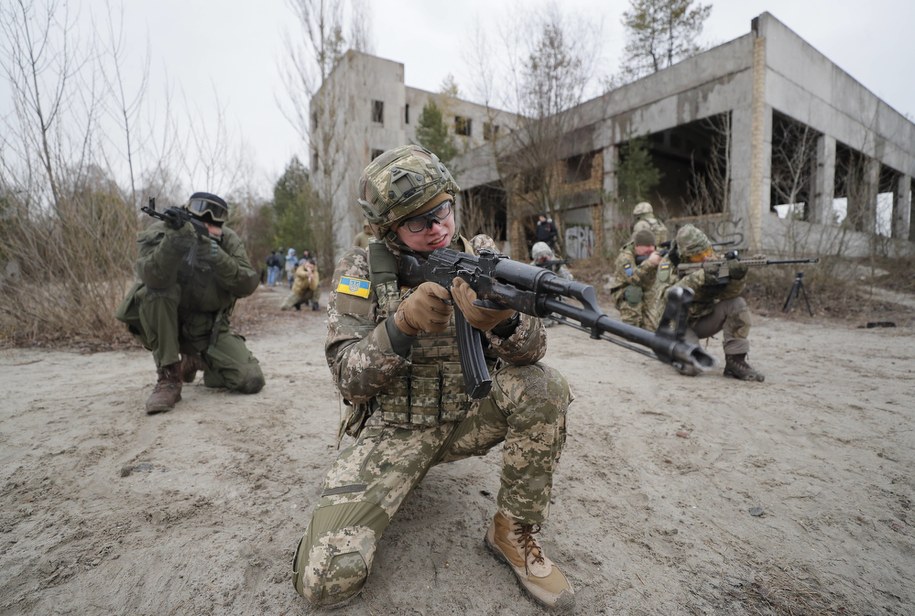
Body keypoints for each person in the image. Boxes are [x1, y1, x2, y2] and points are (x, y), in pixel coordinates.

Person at [291, 145, 575, 610]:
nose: (437, 227)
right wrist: (400, 325)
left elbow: (533, 351)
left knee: (544, 384)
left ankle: (511, 529)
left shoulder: (483, 256)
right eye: (417, 222)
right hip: (393, 433)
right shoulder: (363, 269)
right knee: (325, 581)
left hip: (468, 418)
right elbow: (347, 379)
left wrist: (502, 323)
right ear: (390, 230)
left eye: (442, 210)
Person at [114, 191, 265, 414]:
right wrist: (173, 245)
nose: (205, 221)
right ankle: (169, 377)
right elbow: (150, 277)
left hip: (209, 330)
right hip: (168, 326)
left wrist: (217, 256)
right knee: (156, 292)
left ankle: (197, 361)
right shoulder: (163, 231)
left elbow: (247, 284)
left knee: (250, 379)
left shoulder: (227, 239)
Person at [646, 224, 764, 381]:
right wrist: (699, 278)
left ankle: (735, 361)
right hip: (677, 326)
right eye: (698, 256)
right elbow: (667, 296)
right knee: (692, 367)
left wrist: (737, 277)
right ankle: (675, 353)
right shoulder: (668, 265)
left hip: (703, 318)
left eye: (707, 251)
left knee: (737, 304)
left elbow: (730, 294)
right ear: (685, 257)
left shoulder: (714, 261)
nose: (706, 258)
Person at [610, 229, 662, 328]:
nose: (651, 250)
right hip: (625, 292)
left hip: (647, 291)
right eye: (647, 247)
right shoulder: (625, 258)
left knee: (652, 329)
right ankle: (631, 325)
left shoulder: (656, 252)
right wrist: (649, 263)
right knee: (634, 291)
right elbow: (632, 278)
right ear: (637, 246)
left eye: (652, 246)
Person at [530, 241, 573, 328]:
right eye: (540, 256)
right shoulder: (532, 267)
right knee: (546, 322)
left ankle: (561, 313)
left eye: (546, 254)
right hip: (541, 296)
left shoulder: (556, 264)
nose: (544, 257)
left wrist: (558, 270)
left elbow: (569, 281)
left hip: (556, 294)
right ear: (535, 257)